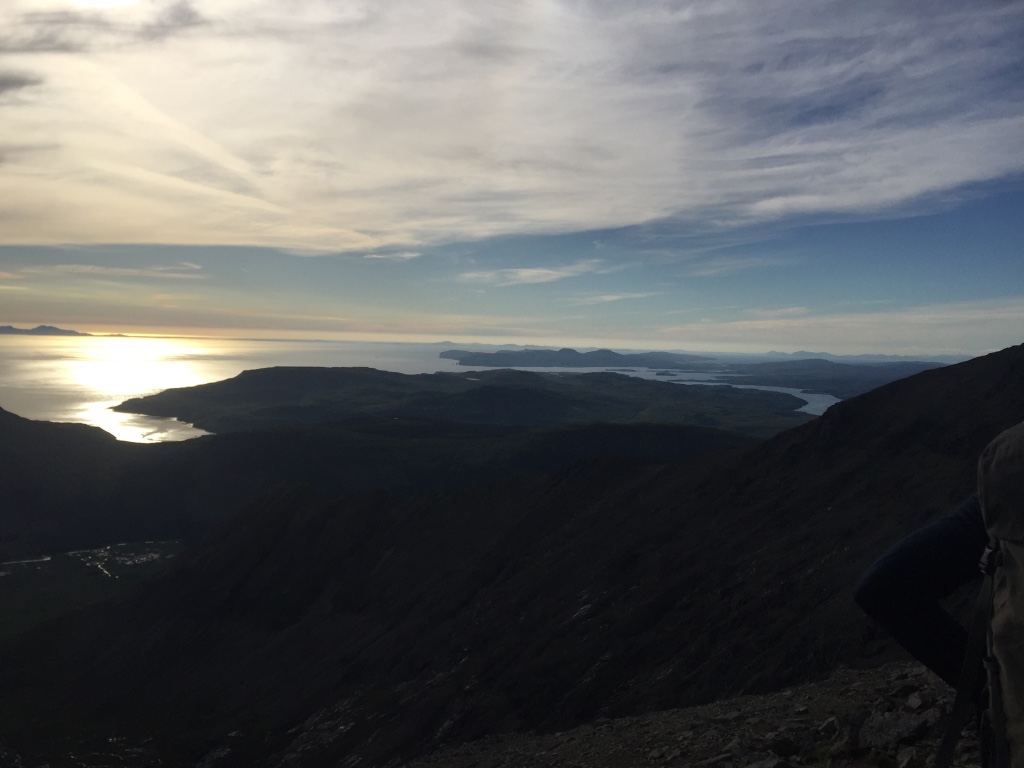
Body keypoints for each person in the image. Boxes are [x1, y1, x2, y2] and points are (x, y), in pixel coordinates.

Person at [853, 493, 988, 687]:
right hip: (997, 503)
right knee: (880, 589)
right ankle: (994, 693)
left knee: (880, 588)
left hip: (999, 503)